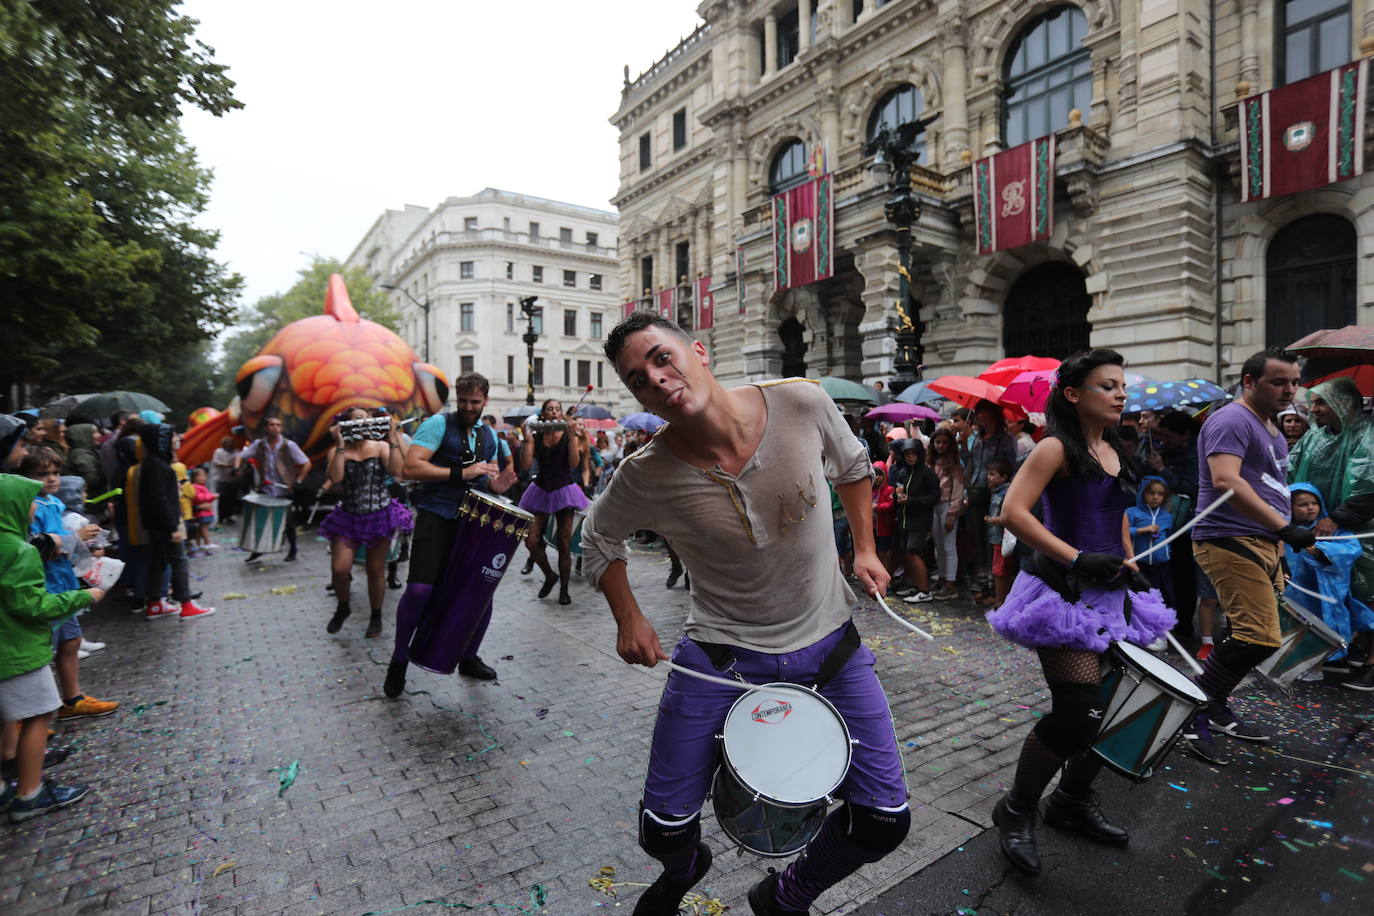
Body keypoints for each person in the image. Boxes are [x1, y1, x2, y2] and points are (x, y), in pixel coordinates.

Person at [581, 312, 909, 916]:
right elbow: (597, 538)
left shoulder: (802, 404)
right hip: (720, 655)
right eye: (636, 379)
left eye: (661, 357)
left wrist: (864, 545)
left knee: (884, 820)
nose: (655, 379)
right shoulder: (644, 474)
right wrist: (628, 615)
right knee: (664, 829)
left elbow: (855, 466)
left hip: (831, 644)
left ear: (698, 351)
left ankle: (785, 897)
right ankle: (685, 870)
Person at [984, 349, 1174, 876]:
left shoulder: (1112, 446)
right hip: (1059, 593)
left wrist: (1127, 559)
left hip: (1110, 594)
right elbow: (1015, 514)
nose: (1120, 394)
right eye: (1107, 386)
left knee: (1110, 707)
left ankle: (1069, 800)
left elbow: (1113, 513)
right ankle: (1017, 808)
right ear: (1073, 394)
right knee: (1079, 711)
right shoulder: (1052, 447)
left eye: (1121, 385)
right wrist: (1078, 558)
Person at [1182, 347, 1313, 766]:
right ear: (1249, 381)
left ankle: (1213, 706)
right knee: (1259, 636)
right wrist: (1282, 528)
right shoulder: (1231, 419)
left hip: (1262, 543)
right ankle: (1191, 714)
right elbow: (1224, 480)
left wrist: (1280, 545)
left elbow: (1270, 486)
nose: (1288, 390)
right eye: (1279, 381)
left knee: (1250, 635)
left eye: (1293, 382)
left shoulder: (1271, 427)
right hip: (1228, 537)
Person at [386, 373, 517, 696]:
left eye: (475, 402)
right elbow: (410, 469)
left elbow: (484, 478)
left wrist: (493, 484)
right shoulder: (437, 425)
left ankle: (469, 657)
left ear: (486, 400)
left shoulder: (490, 436)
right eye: (464, 401)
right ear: (457, 399)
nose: (469, 407)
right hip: (436, 516)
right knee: (418, 591)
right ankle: (398, 660)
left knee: (479, 595)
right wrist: (462, 472)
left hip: (473, 525)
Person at [0, 475, 103, 822]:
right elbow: (32, 605)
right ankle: (30, 793)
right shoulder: (19, 551)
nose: (35, 508)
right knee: (38, 714)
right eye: (29, 500)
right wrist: (82, 596)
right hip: (19, 651)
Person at [1287, 376, 1374, 689]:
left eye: (1321, 402)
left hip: (1362, 528)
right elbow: (1294, 472)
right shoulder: (1316, 437)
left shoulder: (1367, 433)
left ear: (1343, 403)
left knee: (1368, 590)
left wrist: (1337, 518)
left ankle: (1372, 662)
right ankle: (1352, 651)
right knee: (1341, 591)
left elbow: (1368, 487)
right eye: (1313, 402)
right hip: (1324, 526)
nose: (1314, 409)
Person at [19, 447, 119, 719]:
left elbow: (64, 541)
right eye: (42, 474)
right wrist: (75, 537)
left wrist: (87, 545)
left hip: (63, 582)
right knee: (42, 651)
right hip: (45, 586)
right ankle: (31, 716)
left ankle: (72, 699)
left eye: (55, 473)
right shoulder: (29, 506)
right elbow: (38, 546)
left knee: (72, 640)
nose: (52, 479)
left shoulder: (54, 503)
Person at [318, 408, 412, 638]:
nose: (362, 421)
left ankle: (376, 616)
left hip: (379, 514)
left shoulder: (379, 447)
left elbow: (398, 471)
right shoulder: (337, 451)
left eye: (366, 418)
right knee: (340, 569)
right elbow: (336, 478)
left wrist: (392, 439)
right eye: (356, 418)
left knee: (375, 569)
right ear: (347, 423)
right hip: (347, 516)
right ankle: (343, 606)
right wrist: (340, 444)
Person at [1284, 483, 1374, 681]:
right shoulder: (1286, 532)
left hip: (1329, 594)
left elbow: (1351, 549)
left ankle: (1320, 665)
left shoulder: (1334, 531)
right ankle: (1299, 664)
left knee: (1327, 627)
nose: (1310, 508)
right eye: (1302, 504)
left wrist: (1318, 551)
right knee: (1297, 628)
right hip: (1297, 594)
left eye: (1314, 503)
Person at [138, 424, 215, 621]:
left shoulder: (153, 463)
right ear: (162, 439)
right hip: (164, 524)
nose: (177, 438)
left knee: (159, 561)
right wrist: (173, 527)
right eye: (172, 435)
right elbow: (159, 499)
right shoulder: (157, 465)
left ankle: (155, 603)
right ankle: (186, 604)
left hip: (157, 523)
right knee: (178, 561)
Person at [518, 399, 590, 606]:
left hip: (563, 489)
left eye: (557, 409)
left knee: (564, 543)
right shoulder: (537, 435)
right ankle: (550, 575)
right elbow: (525, 465)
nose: (554, 412)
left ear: (561, 413)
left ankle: (564, 590)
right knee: (531, 540)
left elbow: (574, 464)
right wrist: (526, 440)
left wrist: (574, 438)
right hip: (540, 489)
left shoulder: (568, 434)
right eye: (549, 409)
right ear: (543, 414)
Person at [963, 400, 1017, 599]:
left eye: (986, 412)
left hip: (996, 494)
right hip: (976, 492)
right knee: (977, 540)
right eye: (979, 412)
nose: (982, 416)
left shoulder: (1005, 439)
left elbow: (1012, 468)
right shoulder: (977, 438)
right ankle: (983, 584)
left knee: (992, 540)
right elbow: (971, 465)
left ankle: (996, 589)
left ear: (995, 414)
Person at [238, 416, 309, 562]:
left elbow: (306, 463)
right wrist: (236, 468)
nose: (275, 427)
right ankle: (258, 549)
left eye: (278, 425)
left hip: (285, 489)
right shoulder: (259, 445)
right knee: (260, 518)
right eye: (271, 425)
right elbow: (241, 455)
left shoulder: (289, 445)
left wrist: (298, 481)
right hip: (266, 488)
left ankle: (293, 549)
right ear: (265, 428)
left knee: (288, 521)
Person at [890, 439, 938, 603]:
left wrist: (911, 500)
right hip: (904, 519)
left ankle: (924, 590)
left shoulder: (927, 473)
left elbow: (934, 497)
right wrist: (897, 496)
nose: (910, 457)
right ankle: (915, 585)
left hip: (919, 519)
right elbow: (898, 495)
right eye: (907, 454)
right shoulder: (903, 473)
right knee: (905, 552)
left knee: (913, 551)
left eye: (913, 453)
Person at [927, 428, 963, 599]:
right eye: (938, 442)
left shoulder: (954, 465)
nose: (941, 446)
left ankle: (950, 583)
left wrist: (952, 513)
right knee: (938, 546)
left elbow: (958, 490)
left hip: (947, 505)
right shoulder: (931, 462)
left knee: (949, 545)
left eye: (945, 442)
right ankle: (942, 578)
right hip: (934, 506)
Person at [982, 459, 1014, 607]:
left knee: (1000, 570)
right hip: (995, 537)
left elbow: (1009, 516)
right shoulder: (995, 492)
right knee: (998, 569)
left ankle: (1000, 600)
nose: (988, 477)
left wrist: (996, 520)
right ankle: (998, 596)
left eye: (992, 474)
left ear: (1004, 477)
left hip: (1002, 539)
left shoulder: (1006, 493)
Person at [210, 435, 241, 525]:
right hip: (221, 479)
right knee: (223, 498)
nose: (229, 445)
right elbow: (217, 462)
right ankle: (221, 517)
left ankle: (228, 516)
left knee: (231, 499)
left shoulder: (237, 452)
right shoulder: (219, 451)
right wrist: (230, 465)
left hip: (234, 479)